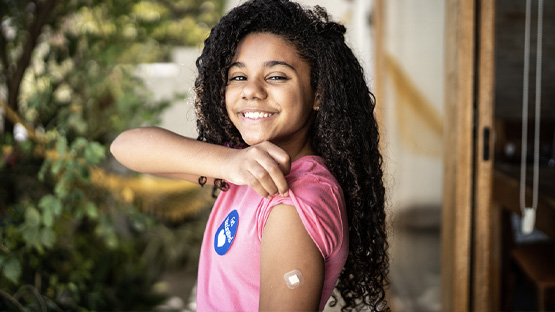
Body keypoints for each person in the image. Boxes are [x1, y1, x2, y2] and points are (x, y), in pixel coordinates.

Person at [110, 0, 389, 311]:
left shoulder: (292, 203)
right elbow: (125, 146)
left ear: (319, 93)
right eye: (238, 76)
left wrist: (232, 164)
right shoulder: (245, 167)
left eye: (276, 76)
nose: (251, 91)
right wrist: (229, 163)